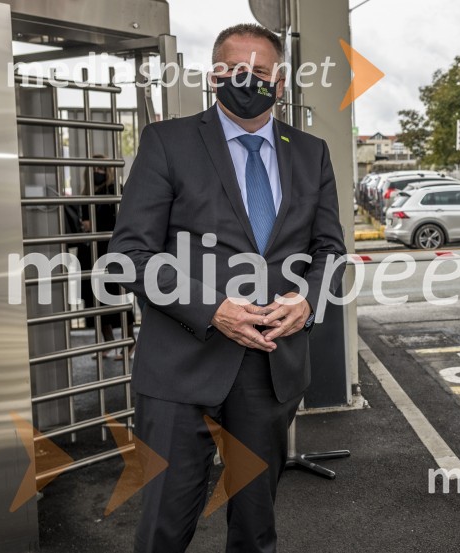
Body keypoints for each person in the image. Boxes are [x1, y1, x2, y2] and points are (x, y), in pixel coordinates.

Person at [108, 24, 345, 553]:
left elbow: (330, 250)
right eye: (235, 70)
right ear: (214, 76)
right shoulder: (168, 142)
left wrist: (309, 299)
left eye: (260, 72)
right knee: (164, 528)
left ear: (280, 82)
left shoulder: (311, 152)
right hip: (180, 368)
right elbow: (128, 256)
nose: (247, 81)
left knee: (255, 532)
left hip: (270, 367)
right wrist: (213, 308)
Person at [77, 156, 136, 360]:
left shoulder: (115, 190)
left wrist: (93, 225)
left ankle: (129, 342)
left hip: (109, 252)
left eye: (102, 168)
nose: (98, 172)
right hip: (90, 254)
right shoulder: (87, 193)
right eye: (94, 169)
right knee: (94, 299)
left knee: (115, 297)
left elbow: (120, 220)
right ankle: (108, 341)